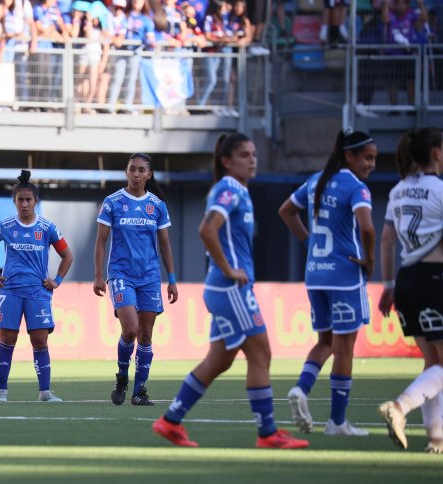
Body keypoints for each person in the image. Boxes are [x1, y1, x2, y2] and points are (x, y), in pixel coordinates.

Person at [152, 133, 309, 449]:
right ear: (226, 161)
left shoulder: (239, 191)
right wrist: (228, 269)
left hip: (225, 289)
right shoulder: (228, 189)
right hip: (230, 288)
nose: (253, 159)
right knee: (261, 352)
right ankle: (267, 433)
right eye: (244, 155)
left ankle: (170, 421)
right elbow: (206, 229)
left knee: (220, 361)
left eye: (253, 154)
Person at [278, 130, 377, 437]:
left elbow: (286, 211)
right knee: (345, 348)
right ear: (350, 156)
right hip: (345, 276)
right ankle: (337, 422)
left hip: (315, 274)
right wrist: (370, 260)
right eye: (368, 158)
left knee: (326, 342)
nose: (372, 164)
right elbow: (367, 228)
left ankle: (301, 389)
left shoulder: (315, 181)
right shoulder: (355, 187)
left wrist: (308, 243)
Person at [377, 127, 443, 453]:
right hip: (435, 278)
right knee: (440, 364)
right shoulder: (441, 190)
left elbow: (387, 240)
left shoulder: (398, 190)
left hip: (405, 281)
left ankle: (436, 438)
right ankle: (400, 407)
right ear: (436, 153)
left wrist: (388, 286)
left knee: (433, 362)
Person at [0, 170, 74, 403]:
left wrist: (57, 280)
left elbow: (67, 255)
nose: (24, 204)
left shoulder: (47, 227)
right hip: (10, 291)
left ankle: (45, 392)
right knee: (7, 339)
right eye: (20, 200)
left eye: (28, 200)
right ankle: (1, 392)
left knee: (40, 341)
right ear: (14, 202)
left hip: (37, 292)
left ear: (36, 201)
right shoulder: (5, 226)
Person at [94, 152, 178, 407]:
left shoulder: (157, 206)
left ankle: (140, 391)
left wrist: (172, 279)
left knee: (146, 335)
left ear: (149, 174)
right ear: (126, 172)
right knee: (130, 330)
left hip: (150, 278)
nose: (136, 174)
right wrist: (99, 275)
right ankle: (122, 377)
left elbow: (164, 245)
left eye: (141, 170)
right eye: (132, 169)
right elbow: (101, 241)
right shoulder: (112, 202)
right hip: (121, 275)